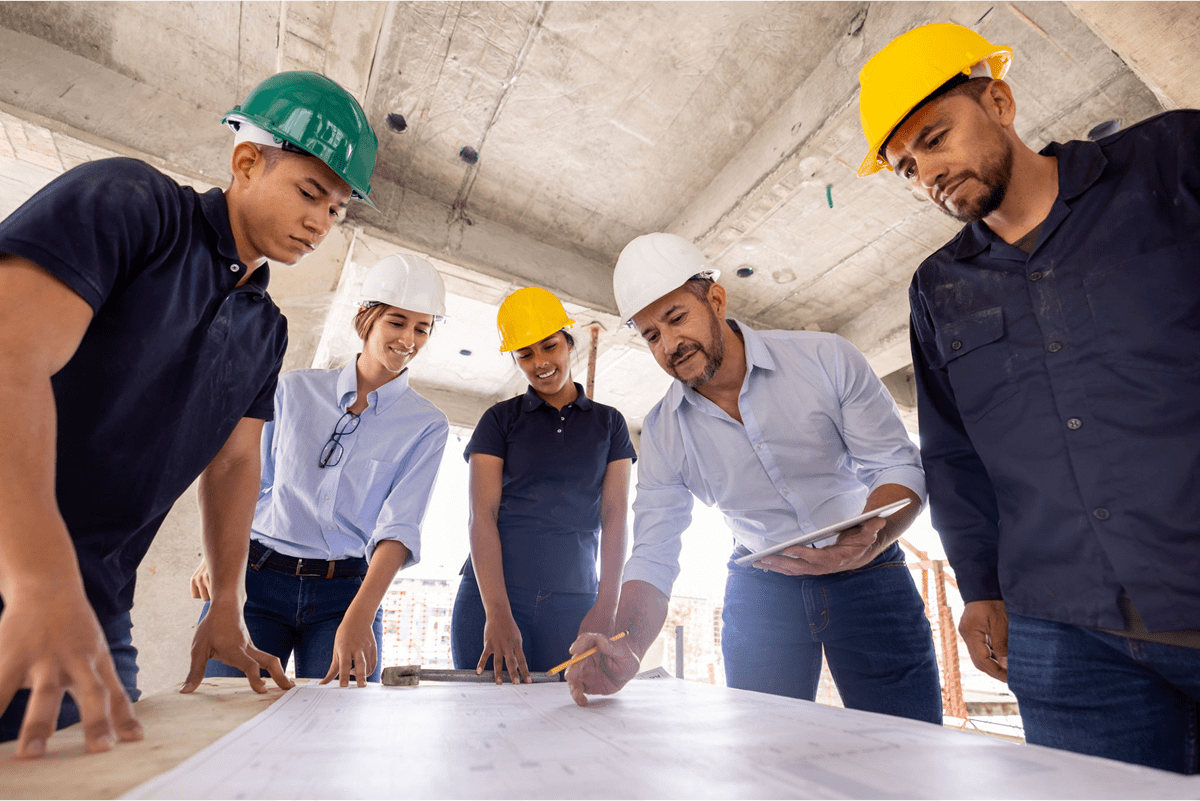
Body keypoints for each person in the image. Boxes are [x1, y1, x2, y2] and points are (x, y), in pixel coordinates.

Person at [0, 70, 378, 757]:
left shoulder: (265, 330)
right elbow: (8, 359)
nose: (323, 223)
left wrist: (227, 602)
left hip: (94, 600)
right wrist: (36, 574)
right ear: (245, 163)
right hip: (20, 559)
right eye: (310, 193)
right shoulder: (129, 204)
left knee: (100, 769)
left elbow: (235, 462)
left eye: (338, 209)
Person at [857, 22, 1200, 773]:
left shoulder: (1172, 161)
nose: (926, 175)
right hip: (1063, 632)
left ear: (1001, 101)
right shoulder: (936, 289)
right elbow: (950, 451)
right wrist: (979, 584)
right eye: (906, 167)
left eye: (935, 139)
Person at [566, 233, 941, 723]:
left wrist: (871, 535)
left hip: (870, 572)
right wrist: (629, 645)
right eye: (651, 335)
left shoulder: (827, 359)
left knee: (908, 740)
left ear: (716, 300)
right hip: (762, 587)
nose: (670, 345)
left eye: (677, 318)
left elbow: (896, 464)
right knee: (768, 751)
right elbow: (655, 551)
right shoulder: (662, 432)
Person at [191, 255, 450, 686]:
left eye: (422, 328)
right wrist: (217, 555)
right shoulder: (293, 390)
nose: (409, 338)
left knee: (337, 728)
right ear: (367, 319)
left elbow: (399, 527)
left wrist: (361, 615)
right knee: (223, 706)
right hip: (256, 579)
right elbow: (250, 481)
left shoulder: (427, 425)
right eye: (397, 322)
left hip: (347, 594)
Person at [450, 287, 635, 683]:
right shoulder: (499, 420)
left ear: (569, 343)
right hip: (493, 598)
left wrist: (607, 604)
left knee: (564, 725)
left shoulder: (610, 423)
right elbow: (481, 516)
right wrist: (497, 613)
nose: (541, 363)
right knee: (483, 722)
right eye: (526, 355)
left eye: (549, 347)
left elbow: (616, 517)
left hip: (575, 602)